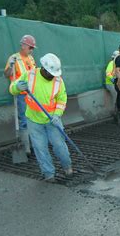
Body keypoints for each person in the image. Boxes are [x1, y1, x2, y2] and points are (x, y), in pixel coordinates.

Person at [9, 53, 72, 182]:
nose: (53, 76)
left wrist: (57, 114)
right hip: (33, 120)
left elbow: (62, 100)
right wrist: (17, 87)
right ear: (44, 69)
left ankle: (67, 167)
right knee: (40, 148)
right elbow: (12, 88)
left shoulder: (58, 81)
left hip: (52, 120)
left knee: (59, 145)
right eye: (51, 73)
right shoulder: (30, 75)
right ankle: (49, 174)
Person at [4, 35, 37, 155]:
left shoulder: (32, 59)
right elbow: (6, 74)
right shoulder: (14, 58)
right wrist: (11, 65)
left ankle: (34, 144)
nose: (32, 50)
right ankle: (26, 148)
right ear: (23, 45)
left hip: (32, 94)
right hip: (21, 95)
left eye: (33, 48)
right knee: (23, 120)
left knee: (33, 119)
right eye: (30, 47)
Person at [104, 50, 119, 115]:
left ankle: (118, 112)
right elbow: (107, 73)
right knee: (116, 97)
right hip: (110, 84)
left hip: (115, 83)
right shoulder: (112, 63)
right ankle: (116, 113)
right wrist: (113, 79)